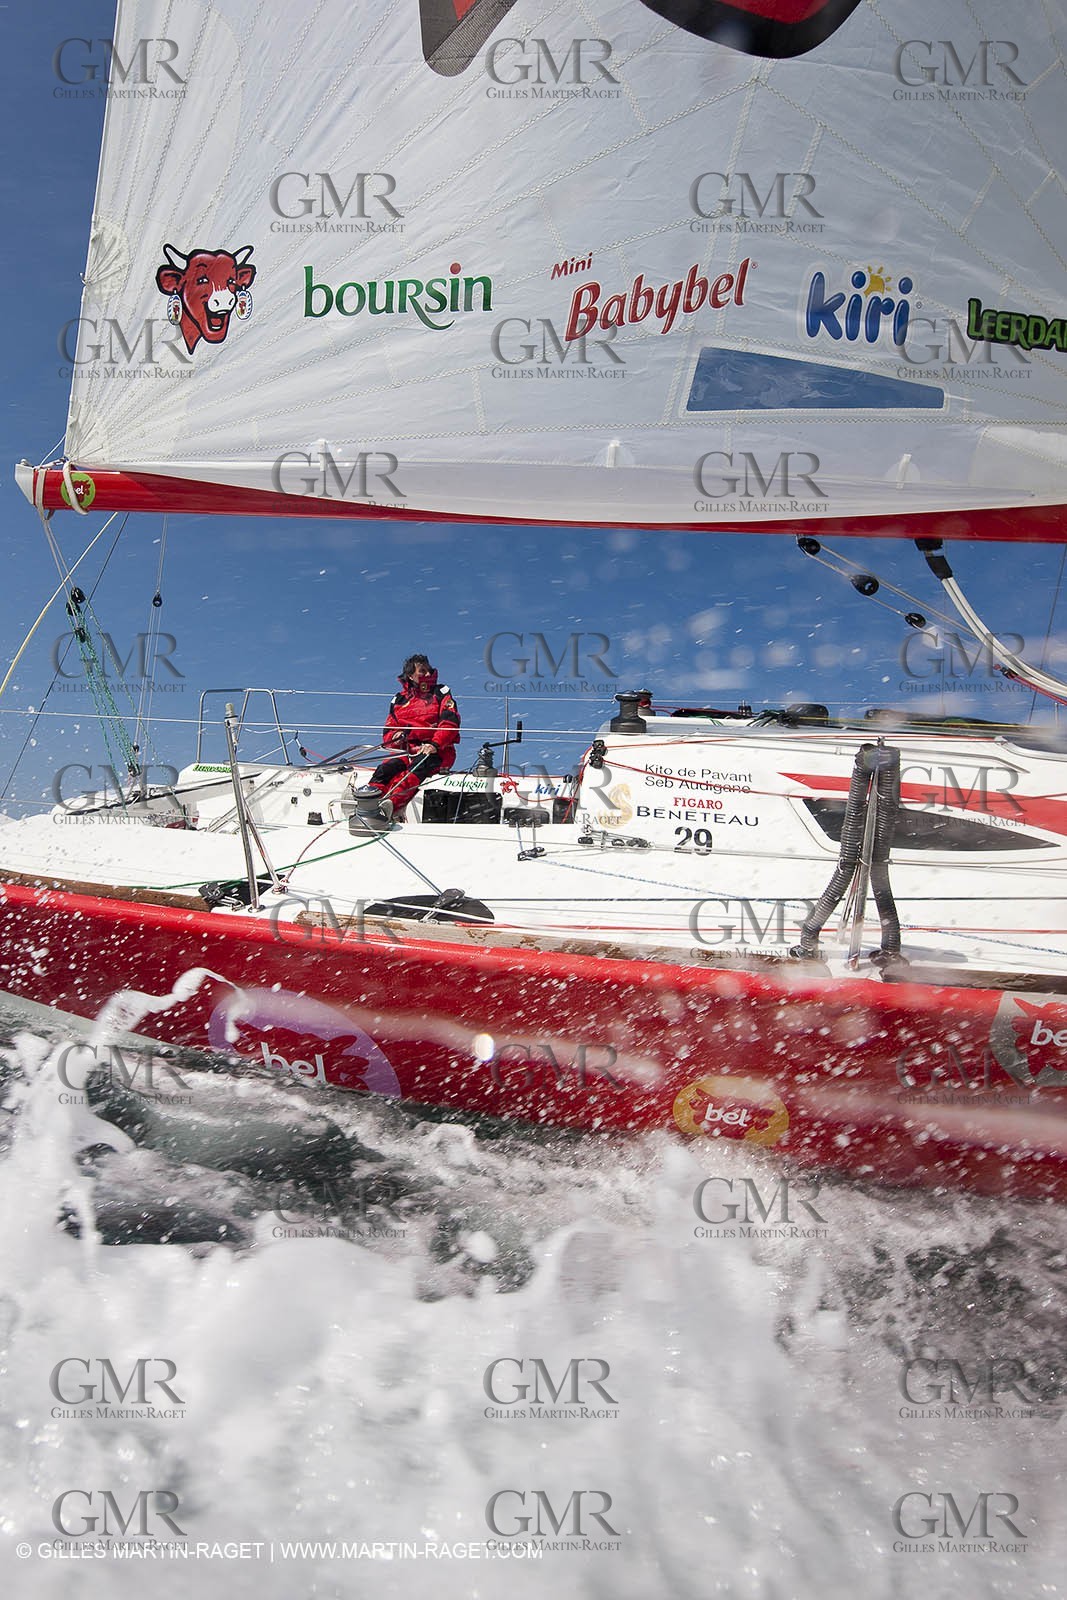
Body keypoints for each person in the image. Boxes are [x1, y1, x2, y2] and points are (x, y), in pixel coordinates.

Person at [352, 654, 460, 825]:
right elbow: (389, 729)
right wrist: (394, 737)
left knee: (415, 769)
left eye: (428, 670)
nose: (427, 674)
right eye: (422, 671)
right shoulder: (399, 700)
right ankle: (367, 804)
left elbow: (450, 722)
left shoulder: (441, 692)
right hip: (405, 750)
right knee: (385, 770)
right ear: (410, 676)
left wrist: (434, 744)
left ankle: (389, 807)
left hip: (438, 750)